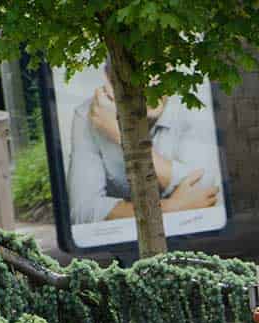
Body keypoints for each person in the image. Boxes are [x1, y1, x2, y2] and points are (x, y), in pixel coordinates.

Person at [67, 61, 221, 225]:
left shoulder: (193, 102)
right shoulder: (88, 116)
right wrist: (171, 208)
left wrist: (123, 138)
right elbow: (82, 212)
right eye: (135, 72)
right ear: (108, 79)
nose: (150, 83)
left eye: (158, 68)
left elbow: (206, 190)